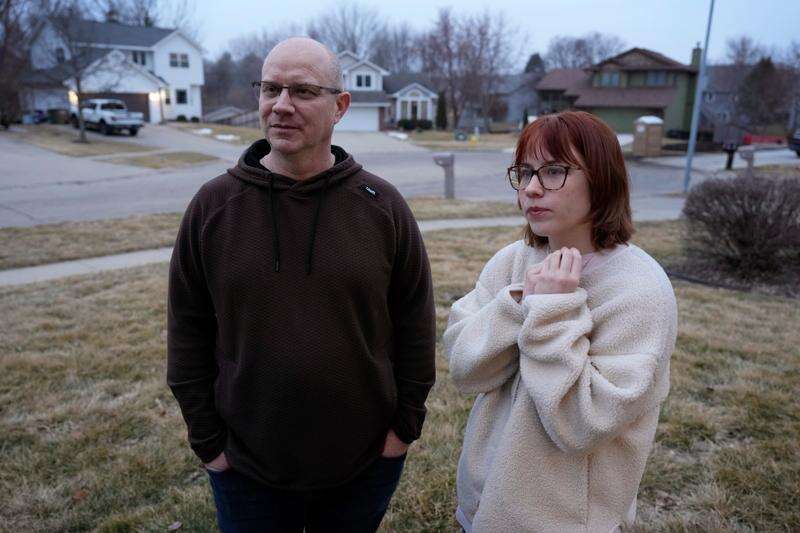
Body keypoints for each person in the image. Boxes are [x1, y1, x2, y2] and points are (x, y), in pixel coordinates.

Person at [167, 37, 436, 532]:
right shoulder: (213, 208)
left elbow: (415, 326)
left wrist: (403, 430)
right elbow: (187, 331)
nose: (282, 105)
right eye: (271, 89)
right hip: (246, 467)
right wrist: (209, 444)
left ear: (340, 106)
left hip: (364, 462)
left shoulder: (382, 207)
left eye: (303, 91)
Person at [444, 110, 677, 532]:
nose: (531, 189)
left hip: (562, 521)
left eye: (554, 171)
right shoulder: (512, 261)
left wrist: (551, 311)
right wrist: (518, 304)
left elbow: (582, 424)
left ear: (602, 179)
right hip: (480, 506)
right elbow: (465, 368)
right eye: (525, 172)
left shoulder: (639, 290)